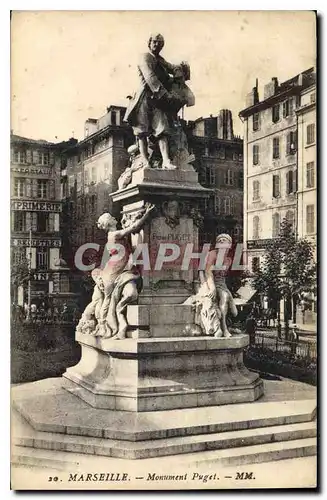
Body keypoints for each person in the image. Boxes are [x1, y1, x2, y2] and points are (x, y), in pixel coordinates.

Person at [124, 33, 193, 170]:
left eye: (160, 44)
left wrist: (179, 70)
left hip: (157, 99)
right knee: (141, 131)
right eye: (155, 42)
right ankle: (144, 160)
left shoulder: (160, 60)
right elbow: (151, 78)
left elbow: (171, 68)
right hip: (144, 96)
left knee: (162, 129)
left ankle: (166, 161)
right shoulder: (145, 57)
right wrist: (166, 95)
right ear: (149, 43)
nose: (157, 45)